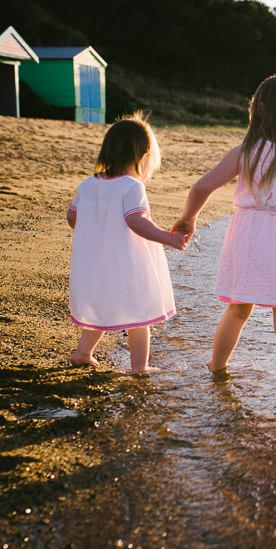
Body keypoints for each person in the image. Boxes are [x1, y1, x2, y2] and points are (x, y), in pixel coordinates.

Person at [173, 74, 276, 387]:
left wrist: (188, 218)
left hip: (249, 234)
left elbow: (201, 187)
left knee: (238, 310)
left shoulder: (246, 151)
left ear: (260, 108)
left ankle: (217, 368)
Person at [67, 112, 188, 373]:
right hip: (127, 263)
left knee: (101, 307)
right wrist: (169, 238)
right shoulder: (132, 186)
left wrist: (98, 234)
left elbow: (72, 217)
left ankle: (83, 353)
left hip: (95, 262)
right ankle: (139, 367)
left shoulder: (87, 184)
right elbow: (136, 221)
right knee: (140, 314)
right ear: (144, 158)